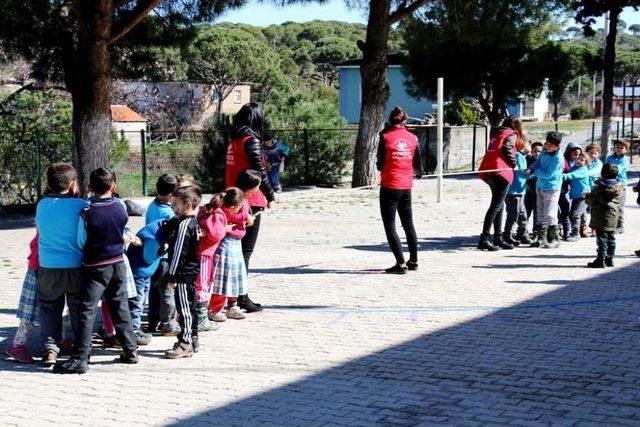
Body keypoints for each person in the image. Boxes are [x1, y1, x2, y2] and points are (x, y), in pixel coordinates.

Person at [54, 167, 138, 374]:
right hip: (118, 263)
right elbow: (123, 230)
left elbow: (81, 240)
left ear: (89, 188)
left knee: (87, 311)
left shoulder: (87, 212)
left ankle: (80, 358)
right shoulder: (120, 206)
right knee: (120, 307)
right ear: (113, 186)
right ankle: (130, 350)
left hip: (95, 266)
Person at [225, 103, 276, 312]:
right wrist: (271, 195)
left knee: (235, 250)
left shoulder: (233, 139)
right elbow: (260, 171)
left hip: (233, 196)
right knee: (244, 251)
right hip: (250, 200)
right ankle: (241, 297)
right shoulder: (250, 140)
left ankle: (233, 297)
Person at [35, 163, 87, 366]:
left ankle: (50, 348)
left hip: (48, 266)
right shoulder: (82, 205)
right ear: (73, 184)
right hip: (76, 265)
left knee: (49, 308)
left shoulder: (42, 205)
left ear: (48, 184)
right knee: (77, 308)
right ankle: (80, 347)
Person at [376, 106, 422, 273]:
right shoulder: (413, 138)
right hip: (406, 186)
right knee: (408, 224)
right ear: (404, 121)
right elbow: (418, 164)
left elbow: (380, 164)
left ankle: (400, 264)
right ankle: (414, 260)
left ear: (390, 120)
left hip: (389, 185)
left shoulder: (385, 137)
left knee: (390, 226)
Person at [163, 186, 203, 358]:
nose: (174, 207)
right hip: (190, 272)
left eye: (176, 204)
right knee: (190, 307)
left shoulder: (184, 226)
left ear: (187, 205)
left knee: (184, 309)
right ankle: (193, 337)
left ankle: (185, 343)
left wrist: (173, 276)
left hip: (183, 275)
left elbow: (179, 253)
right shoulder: (192, 222)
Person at [477, 116, 522, 251]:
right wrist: (514, 164)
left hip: (490, 170)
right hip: (501, 171)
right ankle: (484, 239)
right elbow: (507, 148)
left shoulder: (497, 133)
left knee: (499, 205)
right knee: (495, 206)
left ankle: (498, 237)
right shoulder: (511, 134)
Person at [209, 188, 252, 321]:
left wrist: (245, 213)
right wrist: (246, 216)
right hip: (225, 245)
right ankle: (214, 309)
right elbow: (234, 216)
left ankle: (232, 306)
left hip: (236, 245)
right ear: (233, 206)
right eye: (240, 206)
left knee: (234, 277)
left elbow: (244, 210)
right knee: (222, 279)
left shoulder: (238, 207)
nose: (243, 208)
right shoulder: (223, 211)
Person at [146, 174, 180, 336]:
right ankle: (167, 323)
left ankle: (152, 321)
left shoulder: (152, 206)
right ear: (172, 195)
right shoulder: (169, 213)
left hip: (151, 255)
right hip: (164, 256)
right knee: (167, 290)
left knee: (153, 290)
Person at [194, 193, 229, 331]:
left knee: (204, 284)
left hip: (205, 254)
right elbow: (216, 234)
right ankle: (201, 319)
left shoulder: (207, 211)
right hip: (205, 254)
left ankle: (198, 316)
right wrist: (225, 228)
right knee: (202, 285)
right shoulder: (217, 215)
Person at [527, 131, 564, 249]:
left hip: (552, 188)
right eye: (546, 143)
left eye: (550, 145)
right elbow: (538, 163)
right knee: (540, 213)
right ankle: (541, 238)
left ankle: (554, 238)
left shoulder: (558, 159)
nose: (547, 147)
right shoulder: (544, 150)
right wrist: (531, 168)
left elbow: (548, 174)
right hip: (540, 186)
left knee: (550, 214)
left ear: (558, 146)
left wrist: (534, 172)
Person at [585, 163, 623, 268]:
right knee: (611, 237)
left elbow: (590, 200)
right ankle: (610, 259)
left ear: (602, 173)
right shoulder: (620, 186)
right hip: (613, 216)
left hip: (600, 216)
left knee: (601, 238)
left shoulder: (598, 187)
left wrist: (586, 196)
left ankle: (600, 260)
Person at [503, 139, 531, 246]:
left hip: (520, 190)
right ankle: (507, 235)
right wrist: (532, 174)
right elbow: (521, 172)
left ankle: (522, 234)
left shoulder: (522, 156)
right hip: (513, 191)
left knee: (522, 214)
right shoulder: (518, 156)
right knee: (513, 214)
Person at [562, 153, 591, 242]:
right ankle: (580, 231)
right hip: (575, 196)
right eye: (577, 158)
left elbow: (571, 176)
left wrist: (559, 176)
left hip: (583, 197)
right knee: (579, 215)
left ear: (586, 163)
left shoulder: (583, 170)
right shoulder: (573, 168)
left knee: (574, 214)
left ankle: (575, 233)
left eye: (582, 160)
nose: (578, 161)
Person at [606, 139, 630, 234]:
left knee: (620, 206)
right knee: (611, 205)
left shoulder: (624, 160)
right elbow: (605, 167)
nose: (619, 149)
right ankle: (611, 224)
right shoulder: (609, 158)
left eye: (622, 148)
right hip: (610, 183)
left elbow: (618, 169)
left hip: (620, 185)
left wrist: (610, 170)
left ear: (626, 150)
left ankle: (620, 226)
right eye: (617, 147)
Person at [559, 143, 582, 240]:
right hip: (559, 190)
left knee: (566, 212)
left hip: (568, 192)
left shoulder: (577, 164)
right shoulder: (563, 161)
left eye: (578, 155)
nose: (576, 157)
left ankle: (567, 232)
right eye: (574, 154)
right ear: (569, 153)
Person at [584, 143, 603, 237]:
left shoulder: (599, 163)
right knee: (583, 209)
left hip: (595, 189)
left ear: (599, 154)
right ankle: (582, 228)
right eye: (590, 153)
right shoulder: (585, 162)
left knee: (594, 211)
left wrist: (583, 172)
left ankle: (594, 230)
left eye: (595, 153)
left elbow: (593, 172)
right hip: (585, 188)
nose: (592, 155)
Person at [524, 141, 543, 238]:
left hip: (538, 190)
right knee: (525, 211)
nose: (537, 153)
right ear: (531, 151)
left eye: (540, 151)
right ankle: (523, 231)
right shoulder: (527, 159)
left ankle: (536, 231)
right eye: (535, 151)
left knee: (537, 211)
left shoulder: (543, 161)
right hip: (528, 190)